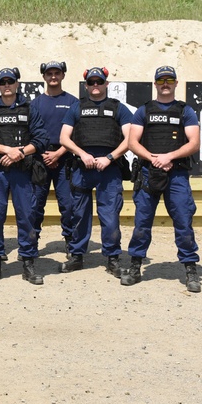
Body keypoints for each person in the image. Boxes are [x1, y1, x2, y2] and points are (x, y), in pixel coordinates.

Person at [125, 66, 202, 292]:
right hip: (149, 172)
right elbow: (132, 142)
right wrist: (154, 158)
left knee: (183, 222)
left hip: (176, 173)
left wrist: (169, 156)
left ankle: (190, 269)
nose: (165, 84)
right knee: (142, 222)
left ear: (177, 83)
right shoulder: (144, 110)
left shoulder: (185, 110)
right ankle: (135, 265)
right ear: (155, 84)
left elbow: (193, 142)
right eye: (161, 80)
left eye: (170, 80)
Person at [0, 68, 49, 285]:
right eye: (2, 81)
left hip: (23, 172)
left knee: (27, 217)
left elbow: (42, 139)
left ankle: (28, 263)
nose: (6, 85)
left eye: (10, 81)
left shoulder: (30, 109)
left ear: (17, 83)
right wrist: (6, 150)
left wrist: (19, 153)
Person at [60, 66, 133, 275]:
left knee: (110, 216)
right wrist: (82, 154)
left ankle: (112, 258)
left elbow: (130, 139)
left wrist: (109, 158)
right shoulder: (77, 107)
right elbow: (64, 138)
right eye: (91, 82)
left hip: (109, 170)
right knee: (79, 214)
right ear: (86, 85)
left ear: (106, 84)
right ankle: (76, 256)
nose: (95, 85)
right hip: (82, 168)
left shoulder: (119, 108)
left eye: (98, 82)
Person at [29, 61, 78, 257]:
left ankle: (70, 243)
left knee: (68, 205)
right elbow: (29, 133)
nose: (53, 77)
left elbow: (76, 135)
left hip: (64, 158)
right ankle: (32, 243)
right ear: (44, 77)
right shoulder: (35, 104)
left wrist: (58, 154)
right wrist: (42, 154)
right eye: (49, 73)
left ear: (63, 75)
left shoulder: (74, 102)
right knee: (35, 205)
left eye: (57, 73)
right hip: (39, 159)